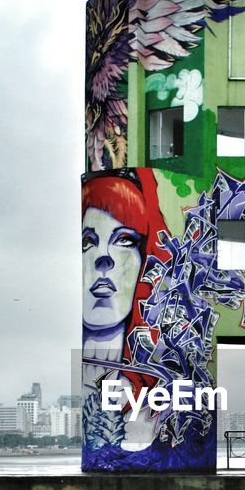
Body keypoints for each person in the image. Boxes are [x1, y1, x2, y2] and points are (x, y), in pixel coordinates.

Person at [81, 169, 171, 453]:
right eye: (87, 241)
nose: (103, 258)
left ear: (145, 259)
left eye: (124, 240)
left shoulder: (151, 393)